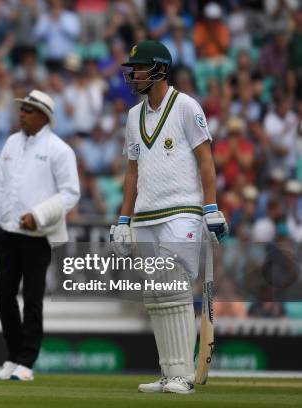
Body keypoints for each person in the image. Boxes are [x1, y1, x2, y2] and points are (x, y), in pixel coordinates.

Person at [110, 40, 228, 394]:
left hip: (183, 209)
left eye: (140, 68)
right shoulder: (133, 116)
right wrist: (123, 219)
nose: (133, 76)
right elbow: (132, 172)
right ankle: (169, 372)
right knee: (156, 294)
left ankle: (183, 376)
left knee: (171, 283)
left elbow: (206, 161)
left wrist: (210, 207)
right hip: (146, 213)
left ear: (160, 69)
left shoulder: (186, 107)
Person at [0, 90, 80, 381]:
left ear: (43, 116)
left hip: (38, 235)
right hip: (8, 232)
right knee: (4, 295)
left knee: (32, 299)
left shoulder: (59, 149)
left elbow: (70, 193)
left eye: (27, 110)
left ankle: (27, 361)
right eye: (22, 109)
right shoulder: (12, 142)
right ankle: (13, 357)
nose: (22, 114)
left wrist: (37, 215)